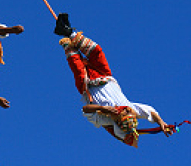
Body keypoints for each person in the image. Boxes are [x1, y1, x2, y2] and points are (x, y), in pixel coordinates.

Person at [53, 13, 174, 147]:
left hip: (87, 85)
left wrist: (103, 109)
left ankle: (65, 35)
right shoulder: (132, 108)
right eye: (130, 113)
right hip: (104, 75)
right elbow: (150, 112)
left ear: (118, 120)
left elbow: (85, 109)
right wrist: (162, 123)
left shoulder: (105, 119)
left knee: (75, 61)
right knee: (96, 51)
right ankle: (69, 32)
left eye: (125, 113)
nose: (128, 110)